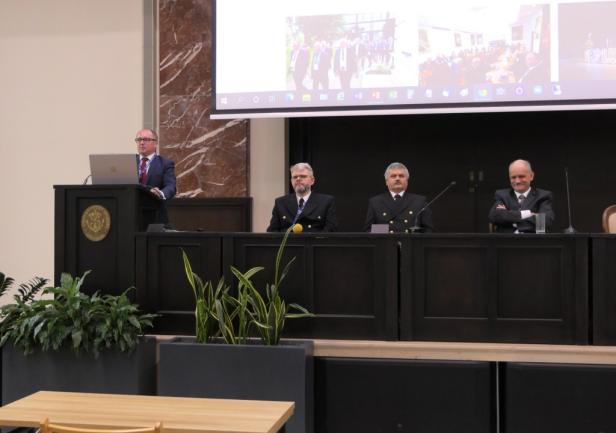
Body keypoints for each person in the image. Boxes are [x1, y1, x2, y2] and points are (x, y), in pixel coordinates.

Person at [363, 162, 434, 233]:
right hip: (386, 240)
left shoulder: (420, 201)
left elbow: (428, 230)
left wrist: (413, 232)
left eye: (401, 176)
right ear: (386, 182)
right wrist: (387, 230)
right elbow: (368, 230)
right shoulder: (375, 202)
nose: (397, 178)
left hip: (410, 240)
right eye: (393, 176)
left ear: (407, 181)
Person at [267, 162, 337, 232]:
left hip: (314, 239)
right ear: (291, 181)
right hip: (288, 239)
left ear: (312, 180)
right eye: (294, 177)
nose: (298, 179)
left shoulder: (325, 202)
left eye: (303, 176)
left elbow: (330, 230)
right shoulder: (280, 203)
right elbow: (272, 232)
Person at [488, 159, 554, 233]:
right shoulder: (502, 195)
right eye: (513, 177)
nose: (517, 181)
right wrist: (526, 214)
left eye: (521, 176)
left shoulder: (543, 196)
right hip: (506, 239)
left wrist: (512, 221)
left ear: (531, 176)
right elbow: (494, 216)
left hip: (532, 239)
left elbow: (545, 221)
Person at [135, 128, 177, 224]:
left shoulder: (165, 163)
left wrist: (160, 193)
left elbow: (171, 186)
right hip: (130, 214)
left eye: (146, 139)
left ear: (155, 143)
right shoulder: (129, 162)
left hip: (154, 215)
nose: (141, 143)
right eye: (139, 140)